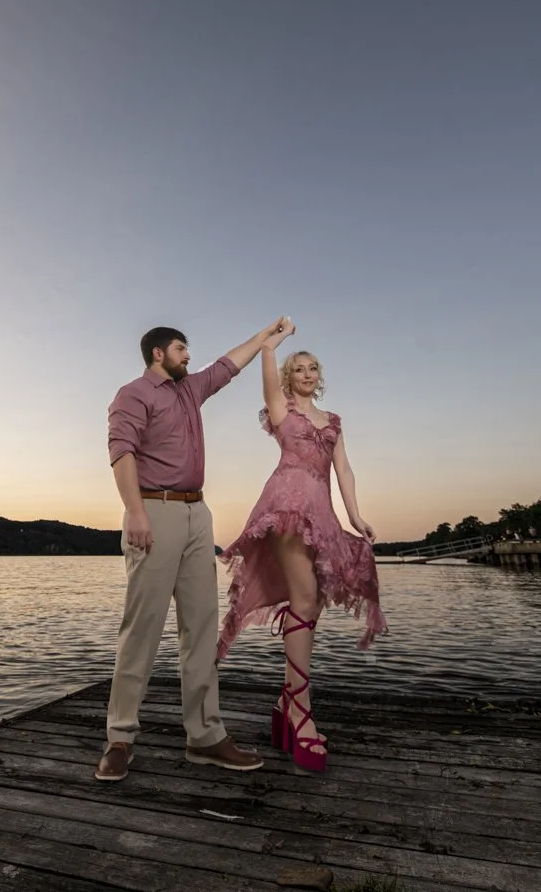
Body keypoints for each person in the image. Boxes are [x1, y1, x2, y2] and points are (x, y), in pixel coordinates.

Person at [95, 320, 286, 782]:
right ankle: (120, 738)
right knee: (142, 628)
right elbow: (121, 452)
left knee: (201, 627)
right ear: (158, 353)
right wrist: (135, 513)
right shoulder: (133, 394)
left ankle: (204, 737)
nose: (188, 355)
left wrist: (265, 339)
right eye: (181, 348)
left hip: (198, 515)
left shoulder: (190, 390)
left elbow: (227, 366)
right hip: (153, 512)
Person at [216, 319, 386, 774]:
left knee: (308, 606)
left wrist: (354, 514)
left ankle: (286, 703)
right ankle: (300, 708)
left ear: (319, 376)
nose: (307, 374)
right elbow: (268, 378)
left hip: (322, 510)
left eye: (313, 368)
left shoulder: (332, 421)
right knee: (306, 598)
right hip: (288, 504)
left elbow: (344, 470)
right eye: (300, 369)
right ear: (290, 378)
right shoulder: (280, 410)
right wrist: (273, 347)